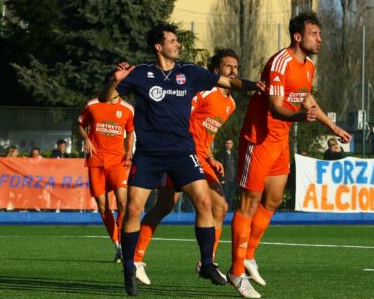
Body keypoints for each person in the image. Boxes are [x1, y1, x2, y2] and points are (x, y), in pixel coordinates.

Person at [99, 22, 259, 296]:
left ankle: (207, 263)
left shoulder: (190, 73)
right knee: (134, 209)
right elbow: (105, 98)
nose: (178, 44)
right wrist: (115, 79)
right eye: (172, 41)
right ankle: (129, 266)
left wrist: (257, 86)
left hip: (182, 152)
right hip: (148, 155)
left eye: (177, 41)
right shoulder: (140, 73)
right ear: (158, 46)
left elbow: (229, 82)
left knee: (206, 201)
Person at [228, 12, 351, 299]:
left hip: (279, 141)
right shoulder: (279, 63)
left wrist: (332, 126)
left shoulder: (307, 67)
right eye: (314, 33)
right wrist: (299, 117)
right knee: (249, 203)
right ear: (298, 36)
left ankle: (248, 256)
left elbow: (307, 99)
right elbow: (274, 107)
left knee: (273, 199)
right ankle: (235, 271)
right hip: (258, 140)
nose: (319, 39)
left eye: (320, 34)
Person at [131, 48, 241, 285]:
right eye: (228, 66)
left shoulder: (231, 103)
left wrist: (211, 157)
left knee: (219, 206)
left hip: (201, 156)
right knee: (165, 205)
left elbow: (206, 133)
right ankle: (136, 258)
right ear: (216, 71)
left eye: (236, 67)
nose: (233, 70)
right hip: (182, 152)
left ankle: (207, 261)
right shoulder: (204, 93)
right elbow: (182, 116)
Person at [78, 93, 135, 263]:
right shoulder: (92, 104)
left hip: (117, 162)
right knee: (103, 207)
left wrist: (129, 151)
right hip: (95, 162)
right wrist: (87, 140)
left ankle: (124, 241)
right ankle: (117, 244)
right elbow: (80, 124)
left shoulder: (127, 108)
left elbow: (130, 132)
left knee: (123, 202)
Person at [216, 138, 237, 209]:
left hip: (233, 179)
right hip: (225, 179)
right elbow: (218, 168)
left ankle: (229, 212)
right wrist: (221, 178)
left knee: (230, 198)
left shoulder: (235, 154)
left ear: (232, 144)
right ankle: (224, 211)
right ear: (225, 144)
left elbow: (237, 166)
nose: (228, 145)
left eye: (230, 143)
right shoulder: (220, 154)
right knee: (225, 196)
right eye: (227, 143)